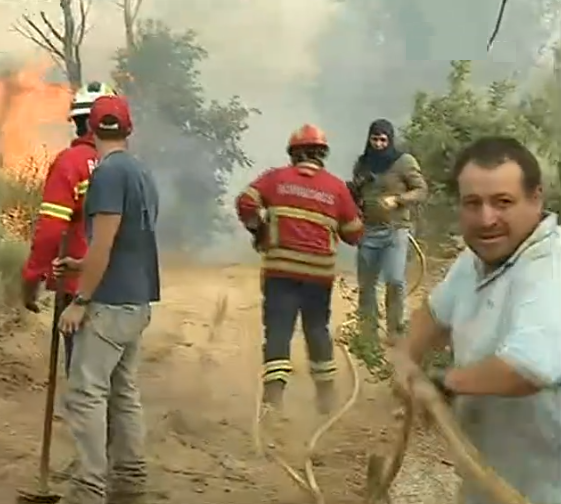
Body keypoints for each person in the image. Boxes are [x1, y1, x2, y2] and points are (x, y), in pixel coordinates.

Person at [391, 136, 561, 504]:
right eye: (473, 203)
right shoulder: (476, 261)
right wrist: (406, 356)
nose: (487, 219)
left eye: (503, 202)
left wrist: (443, 384)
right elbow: (434, 314)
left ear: (536, 198)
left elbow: (528, 368)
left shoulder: (550, 269)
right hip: (492, 479)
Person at [52, 94, 160, 504]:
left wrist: (80, 299)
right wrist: (78, 263)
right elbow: (128, 244)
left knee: (86, 393)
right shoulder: (142, 173)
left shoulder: (107, 175)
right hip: (136, 300)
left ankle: (88, 490)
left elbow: (106, 241)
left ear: (91, 130)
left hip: (109, 305)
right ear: (129, 129)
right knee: (123, 391)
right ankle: (129, 483)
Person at [234, 124, 363, 414]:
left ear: (294, 154)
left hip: (280, 273)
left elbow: (245, 202)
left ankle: (273, 402)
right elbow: (355, 234)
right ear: (322, 155)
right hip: (319, 276)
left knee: (279, 332)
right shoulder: (337, 188)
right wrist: (359, 208)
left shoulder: (275, 179)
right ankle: (327, 398)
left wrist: (259, 229)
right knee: (317, 330)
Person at [20, 81, 118, 385]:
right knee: (118, 380)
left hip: (78, 284)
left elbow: (51, 228)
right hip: (124, 287)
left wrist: (32, 276)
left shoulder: (70, 163)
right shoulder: (127, 166)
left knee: (84, 380)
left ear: (78, 122)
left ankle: (87, 427)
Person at [347, 119, 427, 343]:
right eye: (375, 139)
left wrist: (399, 199)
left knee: (394, 279)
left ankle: (395, 329)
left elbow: (421, 190)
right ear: (369, 139)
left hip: (395, 230)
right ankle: (368, 330)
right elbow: (355, 196)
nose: (379, 144)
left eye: (383, 140)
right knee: (367, 284)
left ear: (390, 140)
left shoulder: (404, 162)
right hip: (367, 231)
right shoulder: (362, 163)